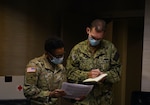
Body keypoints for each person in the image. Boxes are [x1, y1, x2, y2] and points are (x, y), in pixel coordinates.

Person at [66, 19, 121, 105]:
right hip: (84, 100)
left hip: (104, 99)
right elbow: (70, 72)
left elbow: (117, 73)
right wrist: (87, 75)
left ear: (104, 34)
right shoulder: (78, 49)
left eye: (99, 39)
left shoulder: (110, 49)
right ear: (88, 30)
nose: (95, 41)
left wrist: (104, 76)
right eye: (93, 37)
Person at [23, 37, 66, 105]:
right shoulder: (34, 66)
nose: (61, 58)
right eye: (58, 56)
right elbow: (28, 91)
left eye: (62, 55)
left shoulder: (60, 68)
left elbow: (64, 89)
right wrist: (49, 94)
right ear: (47, 54)